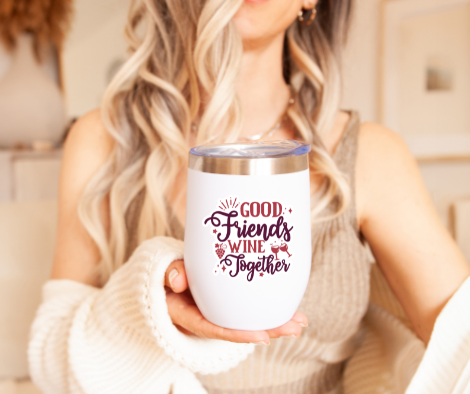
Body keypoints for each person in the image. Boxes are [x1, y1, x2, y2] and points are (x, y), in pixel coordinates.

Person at [28, 0, 470, 393]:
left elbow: (462, 342)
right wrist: (142, 309)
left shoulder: (368, 155)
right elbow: (49, 360)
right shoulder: (103, 140)